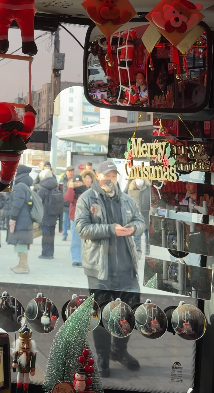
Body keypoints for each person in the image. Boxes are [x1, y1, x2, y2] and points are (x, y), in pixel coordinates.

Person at [74, 161, 145, 377]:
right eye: (105, 175)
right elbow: (82, 228)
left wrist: (133, 228)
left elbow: (141, 221)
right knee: (103, 314)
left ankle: (119, 351)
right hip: (99, 270)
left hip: (126, 269)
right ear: (97, 176)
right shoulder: (87, 198)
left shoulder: (126, 199)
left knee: (129, 313)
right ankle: (103, 357)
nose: (109, 178)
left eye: (113, 175)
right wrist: (110, 229)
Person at [5, 164, 34, 274]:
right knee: (21, 243)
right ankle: (21, 264)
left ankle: (24, 266)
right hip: (25, 220)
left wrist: (13, 218)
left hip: (21, 220)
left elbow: (17, 204)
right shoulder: (25, 185)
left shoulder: (19, 186)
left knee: (21, 243)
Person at [64, 175, 87, 266]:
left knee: (85, 240)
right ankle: (76, 259)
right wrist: (70, 188)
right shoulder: (72, 191)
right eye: (76, 182)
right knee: (75, 239)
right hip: (74, 218)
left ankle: (84, 259)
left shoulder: (86, 191)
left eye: (79, 182)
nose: (78, 183)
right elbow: (68, 199)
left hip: (85, 217)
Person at [124, 178, 151, 255]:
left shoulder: (148, 187)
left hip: (146, 214)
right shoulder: (130, 187)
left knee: (147, 233)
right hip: (136, 215)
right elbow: (124, 198)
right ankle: (137, 250)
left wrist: (152, 211)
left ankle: (147, 248)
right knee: (137, 233)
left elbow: (153, 200)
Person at [37, 168, 59, 259]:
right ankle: (51, 253)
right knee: (51, 234)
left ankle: (46, 253)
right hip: (53, 214)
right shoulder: (56, 185)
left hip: (45, 214)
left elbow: (38, 200)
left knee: (46, 234)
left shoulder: (43, 188)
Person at [59, 166, 75, 241]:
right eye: (69, 171)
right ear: (66, 172)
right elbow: (59, 191)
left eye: (72, 171)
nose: (71, 173)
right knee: (64, 220)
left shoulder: (75, 180)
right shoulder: (62, 181)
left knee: (73, 221)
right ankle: (64, 234)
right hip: (65, 203)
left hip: (73, 203)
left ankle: (73, 235)